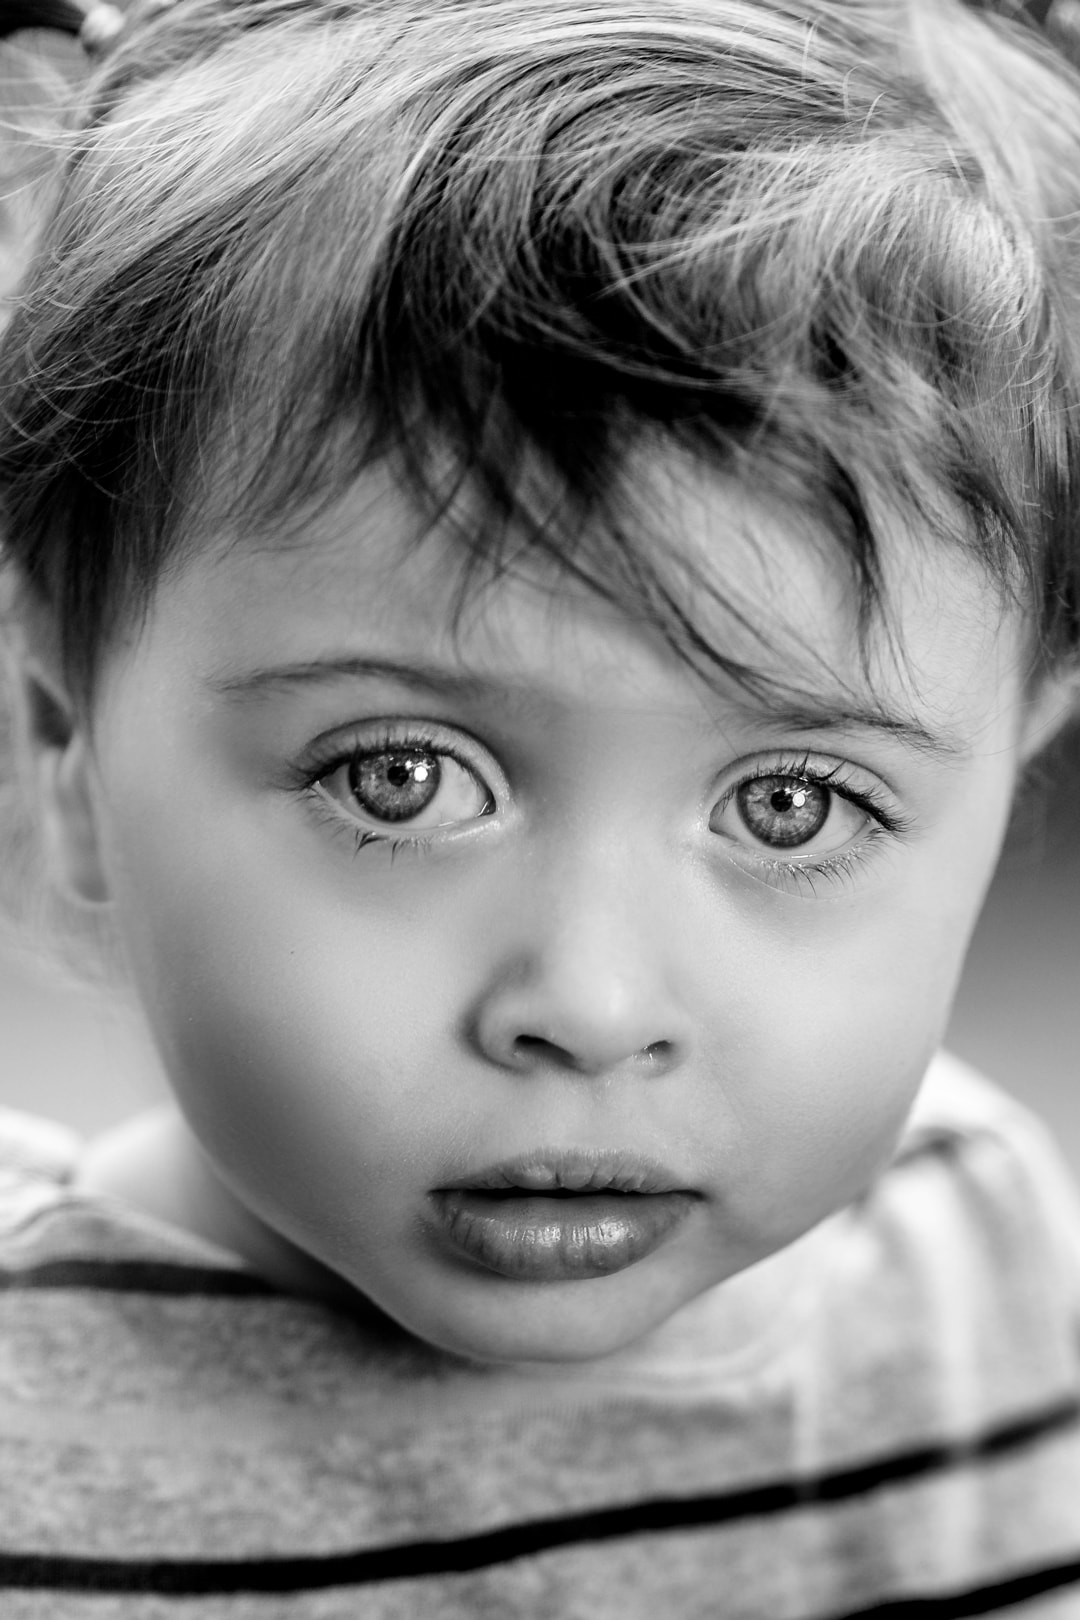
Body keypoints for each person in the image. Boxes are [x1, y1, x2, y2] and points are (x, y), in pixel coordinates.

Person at [0, 0, 1079, 1612]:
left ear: (1011, 765)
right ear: (64, 745)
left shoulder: (975, 1266)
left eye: (791, 803)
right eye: (404, 777)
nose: (588, 1004)